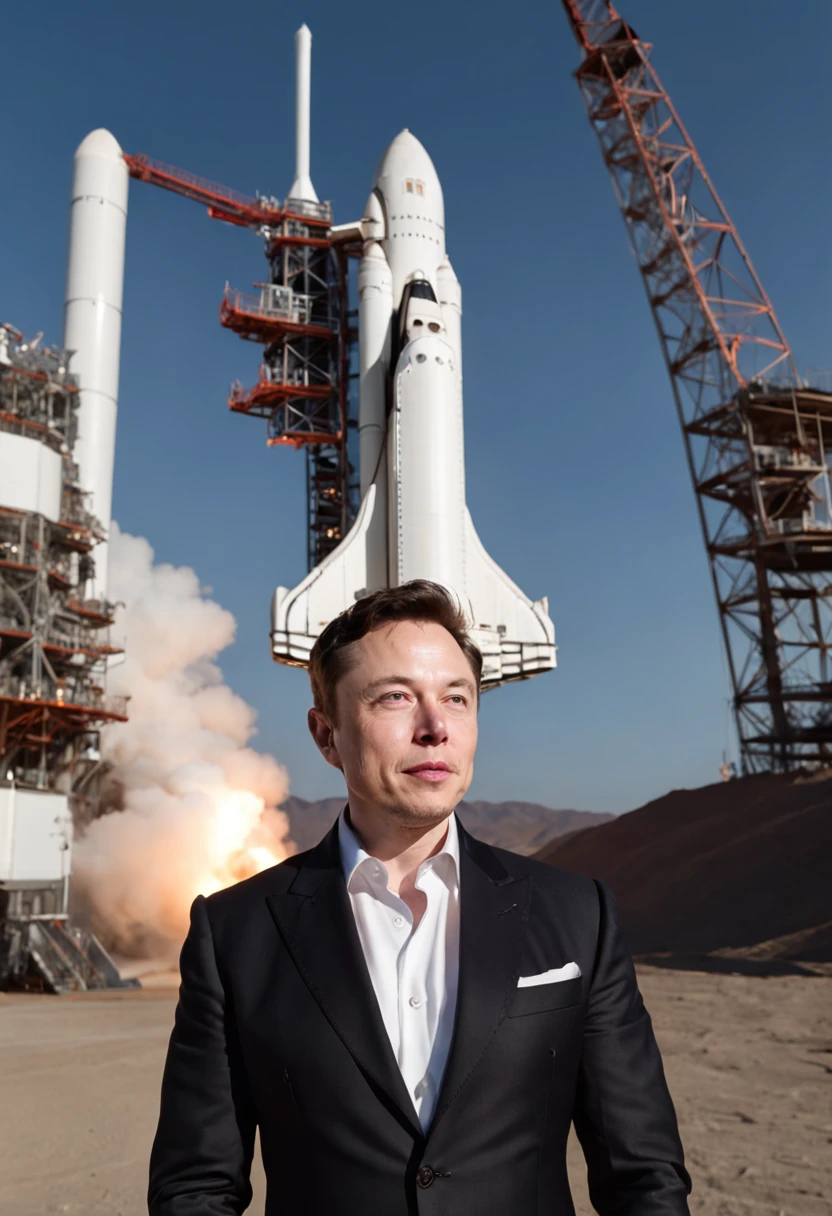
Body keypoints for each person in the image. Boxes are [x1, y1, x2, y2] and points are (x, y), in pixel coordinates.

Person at [148, 579, 692, 1215]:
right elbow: (196, 1188)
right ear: (327, 736)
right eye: (396, 698)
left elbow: (645, 1177)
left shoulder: (577, 914)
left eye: (457, 698)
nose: (435, 727)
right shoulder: (235, 931)